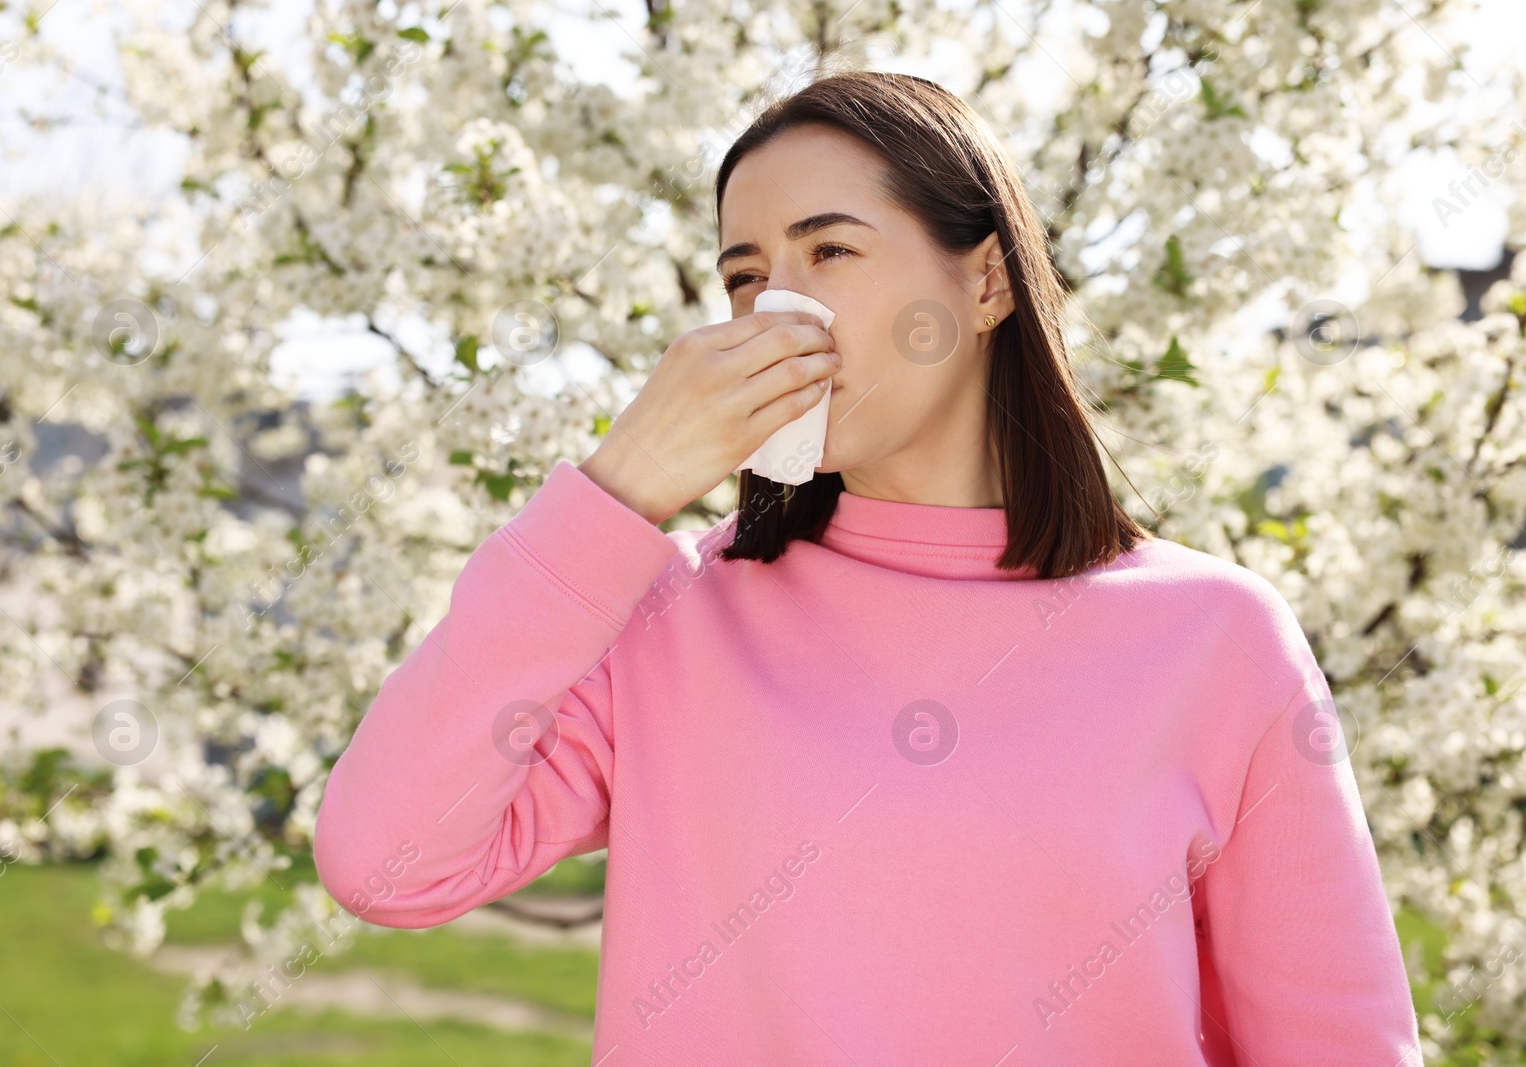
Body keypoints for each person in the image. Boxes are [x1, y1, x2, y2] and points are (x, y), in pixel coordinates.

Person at [313, 70, 1422, 1065]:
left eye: (828, 250)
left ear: (986, 286)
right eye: (745, 276)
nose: (778, 307)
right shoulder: (672, 620)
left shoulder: (1216, 637)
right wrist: (616, 492)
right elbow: (388, 863)